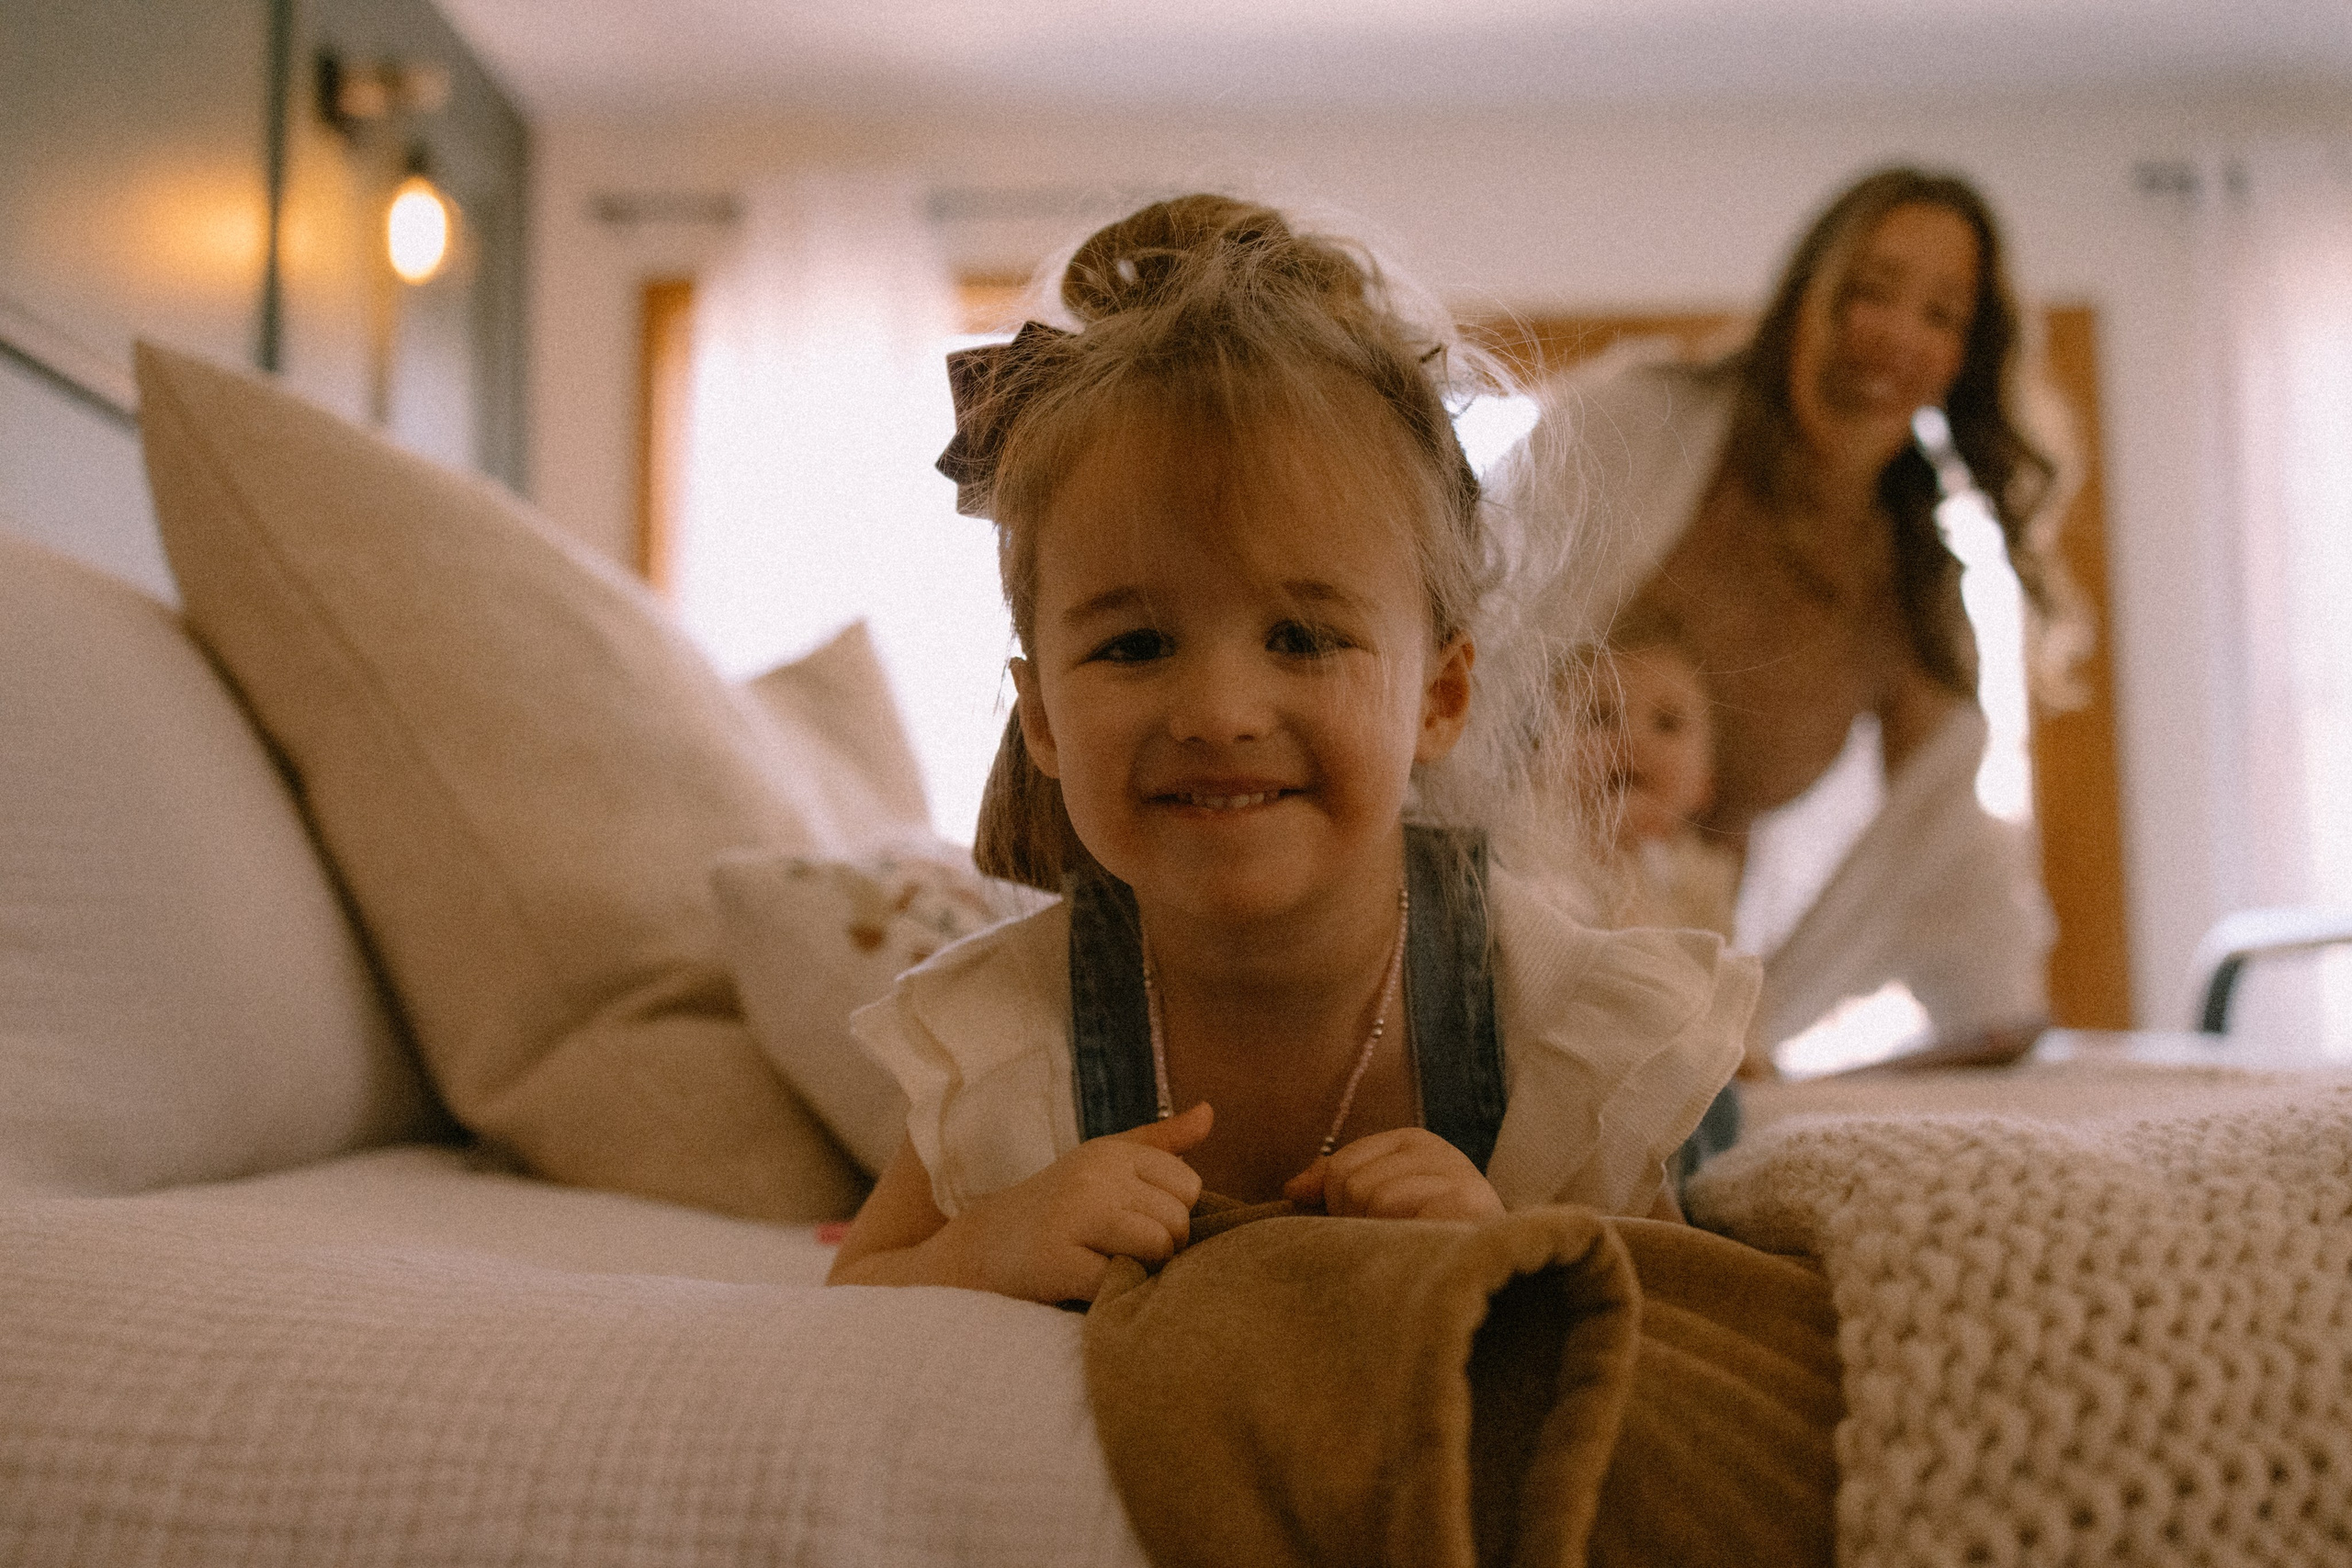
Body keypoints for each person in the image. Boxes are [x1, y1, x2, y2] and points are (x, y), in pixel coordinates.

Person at [827, 195, 1757, 1305]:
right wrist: (981, 1248)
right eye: (1134, 644)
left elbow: (1683, 1307)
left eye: (1302, 637)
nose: (1219, 712)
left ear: (1439, 696)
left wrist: (1504, 1244)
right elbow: (863, 1290)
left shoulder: (1551, 1008)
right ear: (1040, 720)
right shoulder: (1008, 1031)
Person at [1493, 165, 2076, 1061]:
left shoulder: (1913, 590)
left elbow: (1948, 835)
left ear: (1963, 358)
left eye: (1941, 315)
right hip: (1492, 945)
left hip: (1695, 1001)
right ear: (1805, 295)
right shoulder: (1633, 428)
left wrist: (1993, 1013)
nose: (1892, 337)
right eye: (1868, 292)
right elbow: (1453, 634)